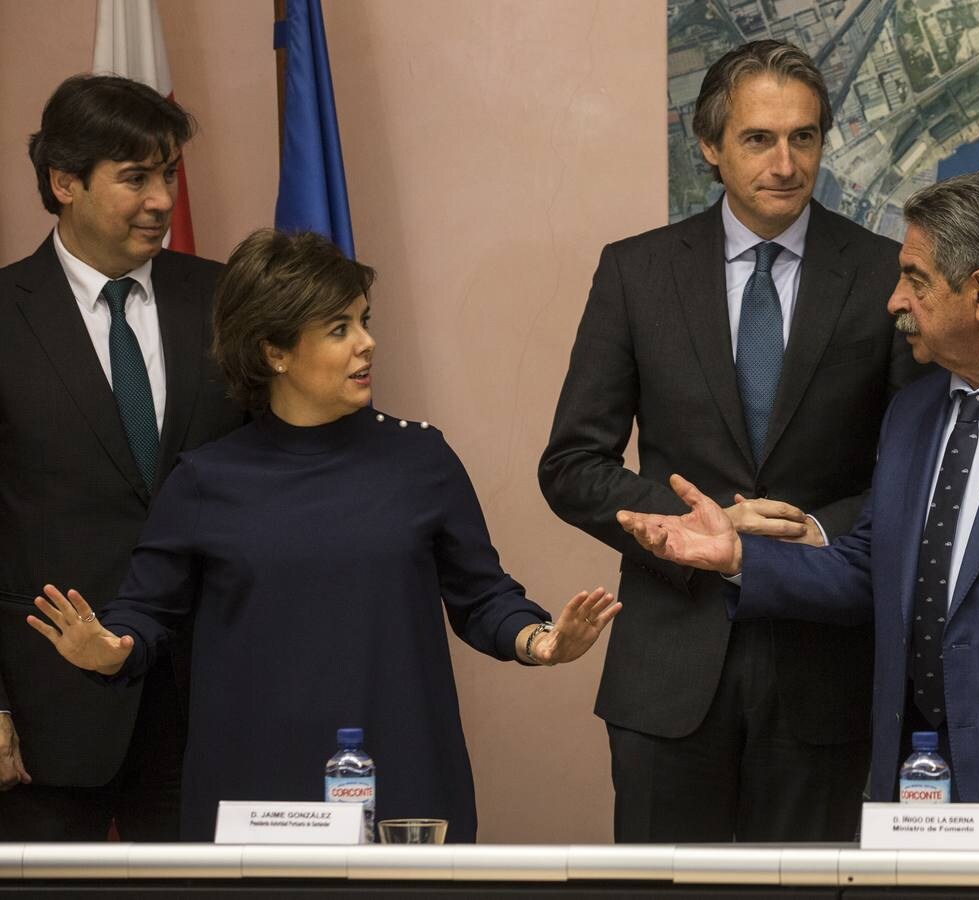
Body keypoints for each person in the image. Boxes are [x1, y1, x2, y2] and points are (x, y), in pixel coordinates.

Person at [616, 170, 979, 849]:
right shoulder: (912, 413)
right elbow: (872, 566)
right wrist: (738, 558)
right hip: (918, 785)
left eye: (915, 279)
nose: (894, 299)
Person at [27, 228, 619, 842]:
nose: (367, 344)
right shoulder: (205, 478)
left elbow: (483, 596)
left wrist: (539, 639)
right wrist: (110, 647)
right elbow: (144, 611)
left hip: (403, 771)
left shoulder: (421, 459)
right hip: (254, 789)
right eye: (339, 329)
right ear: (274, 352)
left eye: (364, 321)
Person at [539, 40, 927, 842]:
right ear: (710, 146)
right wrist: (701, 528)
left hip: (822, 671)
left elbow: (916, 470)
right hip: (668, 673)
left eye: (804, 137)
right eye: (757, 139)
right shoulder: (635, 273)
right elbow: (572, 466)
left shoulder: (884, 273)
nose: (785, 163)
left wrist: (817, 533)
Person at [0, 74, 245, 841]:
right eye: (135, 177)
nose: (162, 199)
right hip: (45, 712)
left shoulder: (226, 301)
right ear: (64, 182)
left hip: (208, 700)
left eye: (168, 173)